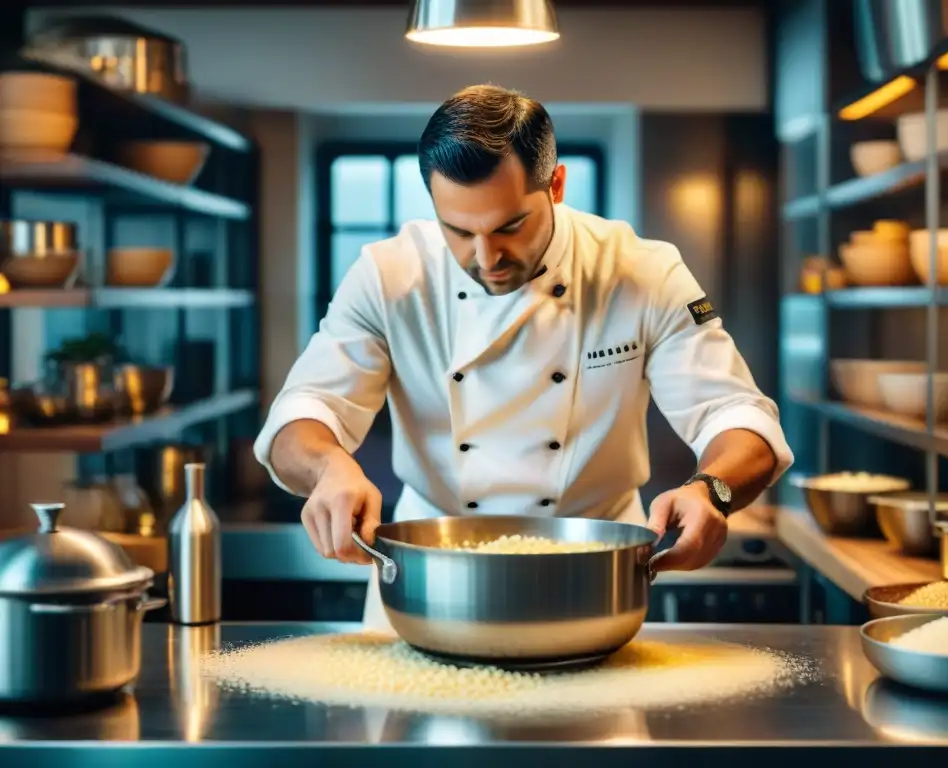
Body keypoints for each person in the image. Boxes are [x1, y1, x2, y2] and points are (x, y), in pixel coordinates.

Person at [253, 84, 794, 630]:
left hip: (595, 579)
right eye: (459, 231)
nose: (486, 258)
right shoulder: (388, 275)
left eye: (510, 226)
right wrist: (329, 468)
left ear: (556, 185)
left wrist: (713, 491)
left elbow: (736, 416)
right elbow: (304, 412)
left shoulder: (642, 271)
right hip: (426, 579)